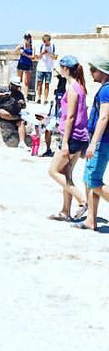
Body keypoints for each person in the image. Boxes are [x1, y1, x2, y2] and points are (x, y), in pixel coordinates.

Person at [46, 56, 89, 222]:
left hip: (72, 137)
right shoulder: (80, 87)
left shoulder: (72, 88)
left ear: (65, 69)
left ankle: (82, 200)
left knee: (53, 171)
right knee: (66, 173)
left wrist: (64, 142)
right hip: (80, 137)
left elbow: (70, 116)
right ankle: (65, 211)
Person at [79, 56, 109, 232]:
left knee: (93, 181)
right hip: (101, 141)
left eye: (93, 70)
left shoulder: (106, 91)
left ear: (103, 72)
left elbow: (104, 117)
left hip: (102, 141)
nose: (91, 73)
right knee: (88, 178)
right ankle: (91, 219)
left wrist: (93, 143)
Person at [0, 76, 27, 147]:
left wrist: (21, 104)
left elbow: (24, 106)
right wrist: (1, 94)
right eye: (15, 86)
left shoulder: (19, 94)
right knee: (2, 113)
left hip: (14, 113)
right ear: (11, 84)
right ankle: (14, 118)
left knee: (21, 123)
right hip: (2, 111)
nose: (16, 88)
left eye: (17, 86)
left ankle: (22, 142)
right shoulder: (3, 89)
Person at [36, 34, 56, 103]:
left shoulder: (53, 46)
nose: (45, 43)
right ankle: (39, 98)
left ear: (49, 41)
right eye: (44, 41)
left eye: (46, 41)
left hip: (48, 68)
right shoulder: (41, 46)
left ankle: (45, 99)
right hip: (41, 68)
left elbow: (55, 57)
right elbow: (38, 57)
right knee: (39, 84)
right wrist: (43, 53)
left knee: (47, 84)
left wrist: (49, 54)